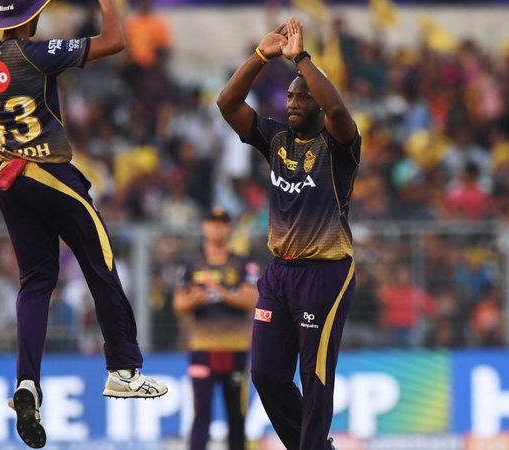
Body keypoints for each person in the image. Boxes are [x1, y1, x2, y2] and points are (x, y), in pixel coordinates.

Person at [0, 1, 167, 448]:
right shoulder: (36, 54)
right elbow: (114, 42)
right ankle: (124, 369)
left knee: (36, 282)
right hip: (48, 173)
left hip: (8, 180)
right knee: (100, 262)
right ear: (28, 18)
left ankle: (27, 383)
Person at [217, 17, 360, 450]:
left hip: (326, 272)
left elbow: (338, 112)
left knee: (314, 375)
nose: (293, 103)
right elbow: (227, 103)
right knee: (264, 373)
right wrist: (261, 56)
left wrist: (301, 58)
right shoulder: (276, 138)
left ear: (317, 103)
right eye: (290, 96)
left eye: (302, 97)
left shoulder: (339, 146)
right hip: (279, 273)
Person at [173, 207, 260, 450]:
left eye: (223, 223)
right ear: (205, 227)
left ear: (229, 228)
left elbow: (252, 300)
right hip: (202, 348)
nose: (218, 228)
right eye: (213, 222)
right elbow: (179, 304)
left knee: (236, 413)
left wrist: (218, 291)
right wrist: (202, 295)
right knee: (201, 411)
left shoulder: (244, 264)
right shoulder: (192, 265)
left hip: (235, 348)